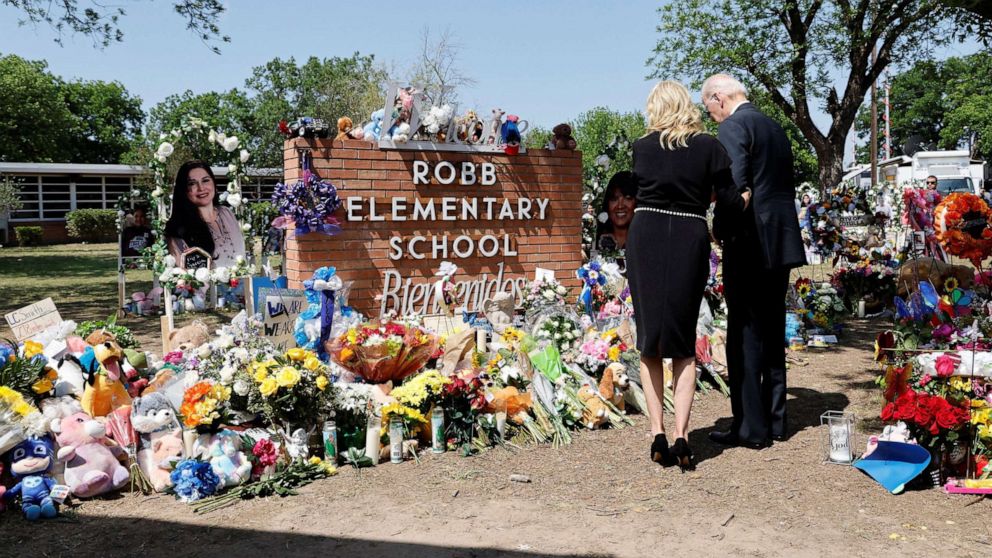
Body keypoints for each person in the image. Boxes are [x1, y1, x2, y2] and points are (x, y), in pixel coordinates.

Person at [626, 80, 751, 471]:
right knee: (682, 343)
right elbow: (728, 198)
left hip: (645, 235)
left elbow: (645, 188)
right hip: (688, 235)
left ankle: (656, 432)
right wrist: (743, 199)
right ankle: (682, 435)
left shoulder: (641, 147)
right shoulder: (708, 147)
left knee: (649, 342)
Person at [702, 74, 806, 449]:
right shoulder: (775, 127)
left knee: (744, 334)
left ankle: (750, 427)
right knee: (773, 328)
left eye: (708, 108)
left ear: (718, 98)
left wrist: (718, 228)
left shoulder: (733, 126)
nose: (710, 116)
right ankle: (776, 420)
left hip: (749, 241)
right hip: (780, 240)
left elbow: (736, 188)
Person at [165, 161, 246, 268]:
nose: (201, 188)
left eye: (205, 180)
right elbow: (187, 276)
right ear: (184, 190)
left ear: (213, 183)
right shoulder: (178, 228)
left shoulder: (227, 213)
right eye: (192, 183)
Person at [596, 171, 637, 252]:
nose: (620, 206)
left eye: (627, 198)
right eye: (614, 199)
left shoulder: (647, 242)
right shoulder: (596, 242)